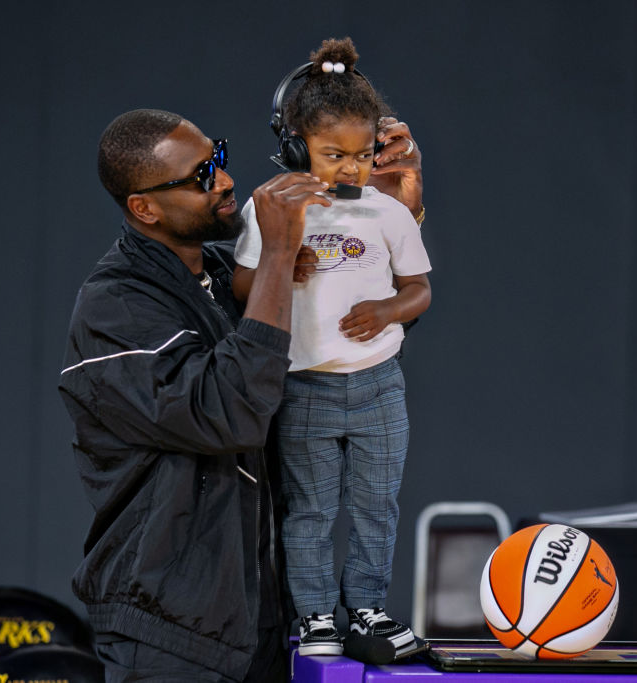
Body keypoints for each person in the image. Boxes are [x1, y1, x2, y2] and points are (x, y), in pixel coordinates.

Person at [58, 106, 423, 681]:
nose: (225, 180)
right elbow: (230, 413)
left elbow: (350, 340)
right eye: (201, 175)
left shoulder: (231, 275)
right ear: (145, 208)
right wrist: (278, 254)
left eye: (219, 157)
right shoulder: (115, 308)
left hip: (261, 625)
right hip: (172, 637)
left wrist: (390, 212)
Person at [232, 38, 431, 658]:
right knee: (311, 509)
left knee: (378, 504)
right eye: (331, 154)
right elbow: (240, 283)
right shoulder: (273, 206)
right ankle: (316, 615)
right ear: (296, 146)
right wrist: (279, 261)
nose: (350, 168)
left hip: (378, 384)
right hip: (306, 385)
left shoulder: (389, 213)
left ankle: (367, 607)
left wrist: (389, 310)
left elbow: (419, 287)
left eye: (362, 155)